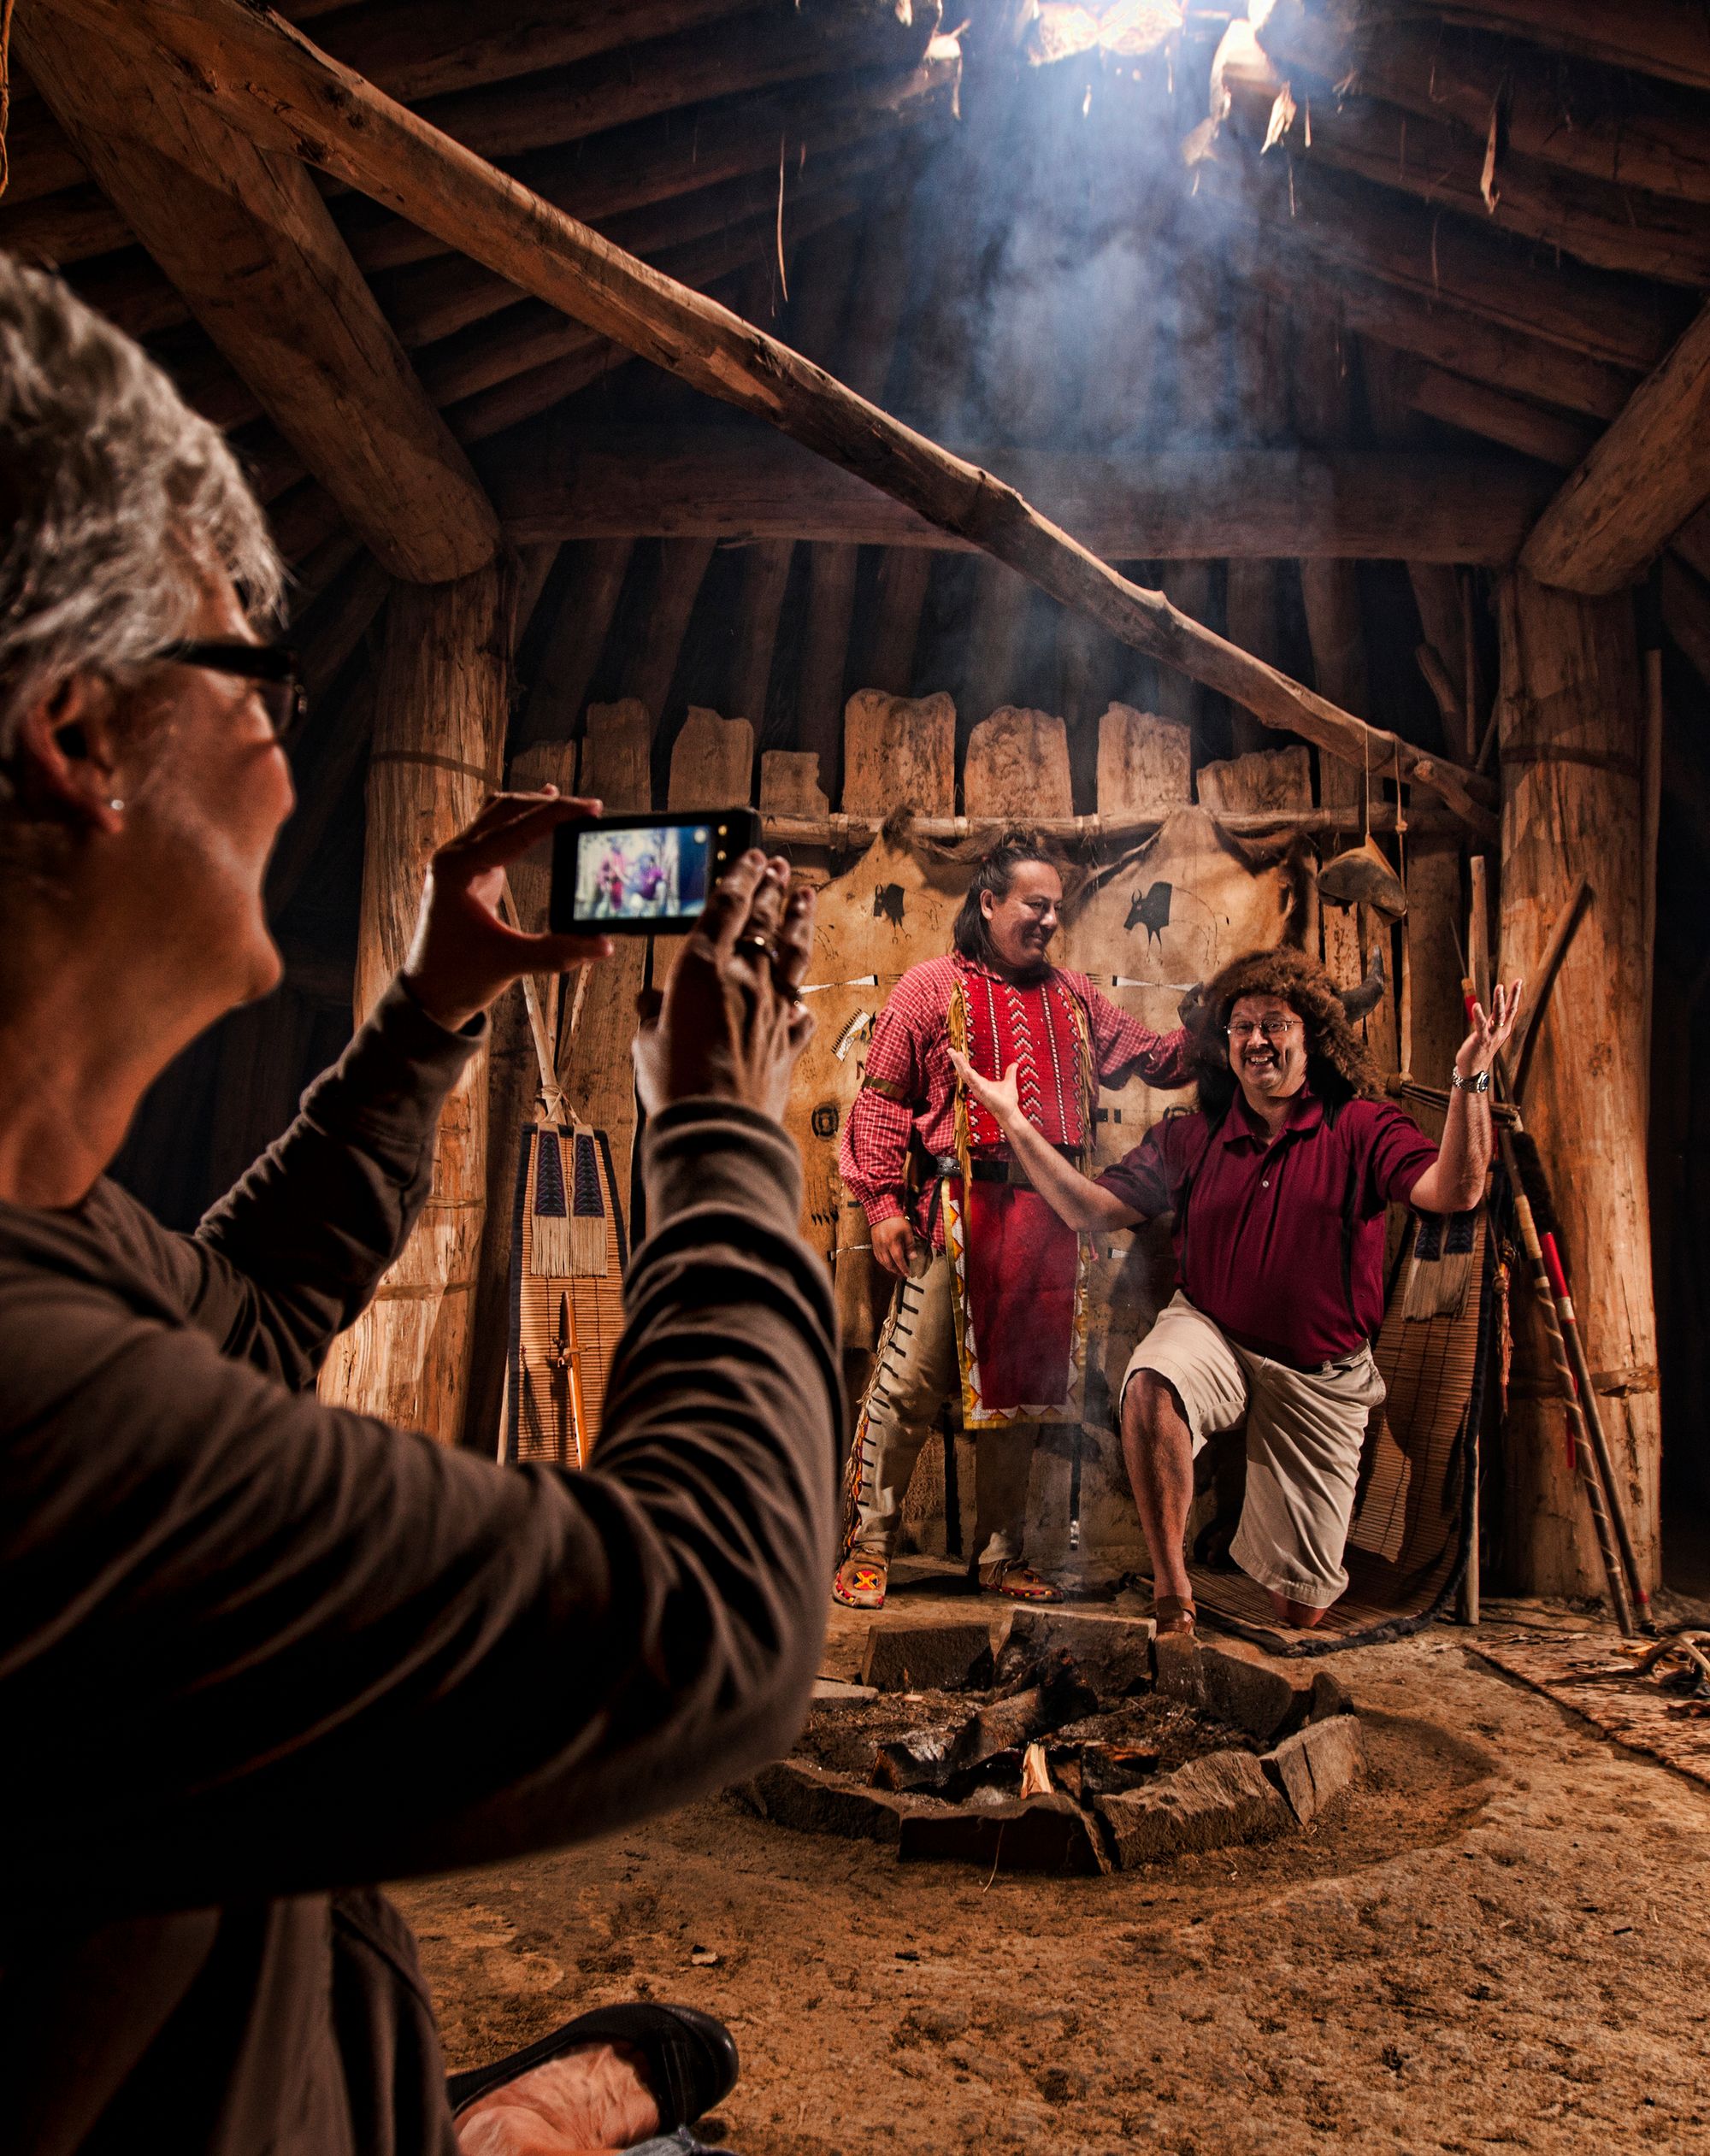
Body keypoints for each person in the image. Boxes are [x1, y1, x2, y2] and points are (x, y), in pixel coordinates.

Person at [0, 255, 840, 2153]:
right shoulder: (32, 1416)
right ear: (78, 735)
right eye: (255, 680)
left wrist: (433, 1007)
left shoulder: (48, 1257)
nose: (287, 761)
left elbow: (241, 1317)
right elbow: (710, 1612)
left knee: (648, 2076)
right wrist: (721, 1125)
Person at [952, 944, 1519, 1633]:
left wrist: (1470, 1077)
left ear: (1314, 1035)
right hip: (1213, 1331)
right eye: (1242, 1026)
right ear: (1224, 1045)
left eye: (1275, 1023)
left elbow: (1456, 1191)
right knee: (1152, 1382)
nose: (1256, 1040)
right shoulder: (1191, 1139)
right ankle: (1174, 1595)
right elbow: (1086, 1209)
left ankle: (1268, 1526)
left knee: (1301, 1609)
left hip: (1318, 1371)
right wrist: (1014, 1121)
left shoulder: (1360, 1126)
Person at [834, 832, 1194, 1610]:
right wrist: (883, 1204)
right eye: (1035, 904)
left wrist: (1219, 1024)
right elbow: (881, 1102)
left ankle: (1000, 1555)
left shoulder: (1075, 996)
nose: (1049, 920)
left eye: (1056, 908)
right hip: (956, 1216)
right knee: (910, 1385)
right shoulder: (931, 988)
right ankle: (869, 1547)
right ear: (989, 901)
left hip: (1050, 1224)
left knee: (1026, 1398)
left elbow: (1155, 1057)